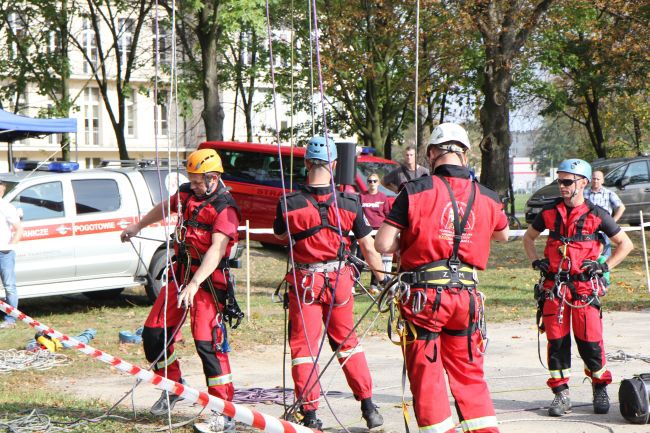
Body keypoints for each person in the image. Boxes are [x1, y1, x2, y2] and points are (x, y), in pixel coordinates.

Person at [375, 123, 508, 433]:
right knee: (469, 375)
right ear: (466, 154)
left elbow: (382, 243)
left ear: (431, 154)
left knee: (428, 376)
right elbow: (501, 235)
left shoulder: (415, 190)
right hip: (466, 299)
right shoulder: (487, 195)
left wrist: (412, 240)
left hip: (426, 298)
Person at [121, 149, 243, 433]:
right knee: (153, 335)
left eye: (198, 181)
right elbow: (165, 205)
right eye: (192, 179)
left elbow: (217, 249)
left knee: (207, 346)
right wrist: (138, 226)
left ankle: (224, 412)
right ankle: (173, 386)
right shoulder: (188, 194)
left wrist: (194, 284)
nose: (193, 184)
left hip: (207, 284)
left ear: (213, 178)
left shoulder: (225, 207)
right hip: (181, 275)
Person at [273, 136, 385, 430]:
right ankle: (369, 407)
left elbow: (281, 237)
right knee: (347, 344)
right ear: (334, 165)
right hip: (339, 283)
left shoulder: (289, 203)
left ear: (307, 163)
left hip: (306, 283)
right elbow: (369, 246)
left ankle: (309, 414)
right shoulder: (350, 202)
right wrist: (383, 280)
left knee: (304, 349)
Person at [522, 159, 633, 417]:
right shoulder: (549, 213)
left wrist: (605, 267)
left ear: (583, 183)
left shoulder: (597, 214)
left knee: (591, 342)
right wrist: (535, 260)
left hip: (584, 291)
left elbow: (625, 244)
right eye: (559, 180)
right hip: (555, 289)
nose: (561, 186)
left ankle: (599, 387)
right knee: (557, 343)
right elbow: (528, 238)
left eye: (567, 181)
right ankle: (561, 394)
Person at [359, 173, 391, 293]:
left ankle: (374, 285)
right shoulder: (361, 196)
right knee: (360, 258)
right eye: (370, 181)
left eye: (374, 181)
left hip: (378, 231)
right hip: (364, 232)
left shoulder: (383, 197)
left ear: (378, 183)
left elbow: (388, 214)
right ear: (367, 182)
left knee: (376, 258)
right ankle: (354, 283)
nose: (372, 183)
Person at [584, 170, 625, 257]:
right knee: (588, 254)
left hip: (604, 229)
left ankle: (605, 269)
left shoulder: (609, 193)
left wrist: (613, 221)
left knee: (605, 256)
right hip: (588, 230)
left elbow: (621, 207)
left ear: (602, 181)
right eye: (594, 179)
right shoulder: (584, 193)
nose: (595, 181)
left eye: (598, 179)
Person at [0, 180, 22, 329]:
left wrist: (11, 245)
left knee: (9, 286)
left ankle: (10, 320)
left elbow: (18, 229)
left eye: (1, 190)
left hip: (4, 252)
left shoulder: (7, 207)